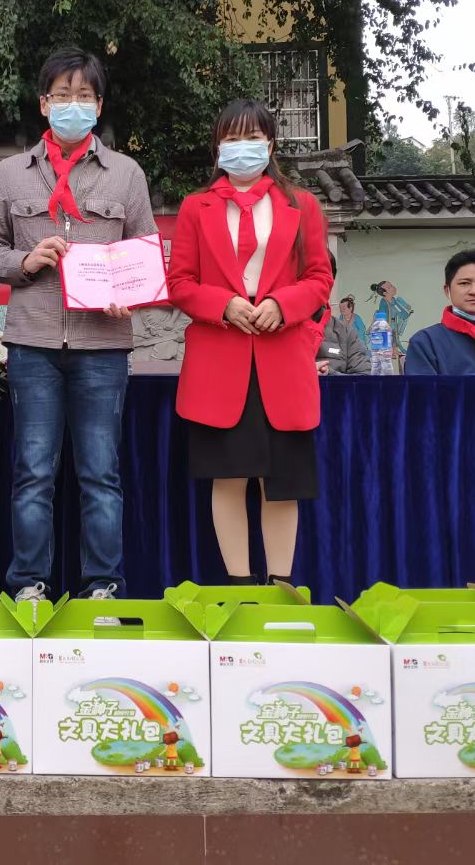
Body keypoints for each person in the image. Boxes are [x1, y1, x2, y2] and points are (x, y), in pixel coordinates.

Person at [0, 47, 156, 606]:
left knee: (101, 474)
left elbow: (144, 255)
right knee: (33, 472)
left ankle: (103, 585)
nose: (72, 105)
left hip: (103, 345)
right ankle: (29, 584)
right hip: (32, 343)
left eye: (83, 96)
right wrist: (25, 262)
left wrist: (128, 295)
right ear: (43, 103)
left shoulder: (126, 174)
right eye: (62, 95)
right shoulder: (10, 174)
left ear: (98, 106)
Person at [168, 99, 333, 586]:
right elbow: (179, 283)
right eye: (232, 138)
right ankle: (241, 587)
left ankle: (280, 587)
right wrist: (223, 305)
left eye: (253, 137)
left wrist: (283, 304)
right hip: (220, 361)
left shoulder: (302, 205)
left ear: (271, 144)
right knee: (229, 478)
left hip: (283, 360)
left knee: (282, 482)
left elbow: (319, 277)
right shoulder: (196, 207)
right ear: (218, 147)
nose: (243, 147)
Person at [316, 253, 369, 376]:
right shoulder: (274, 326)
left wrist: (328, 373)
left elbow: (364, 379)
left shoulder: (345, 332)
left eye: (319, 277)